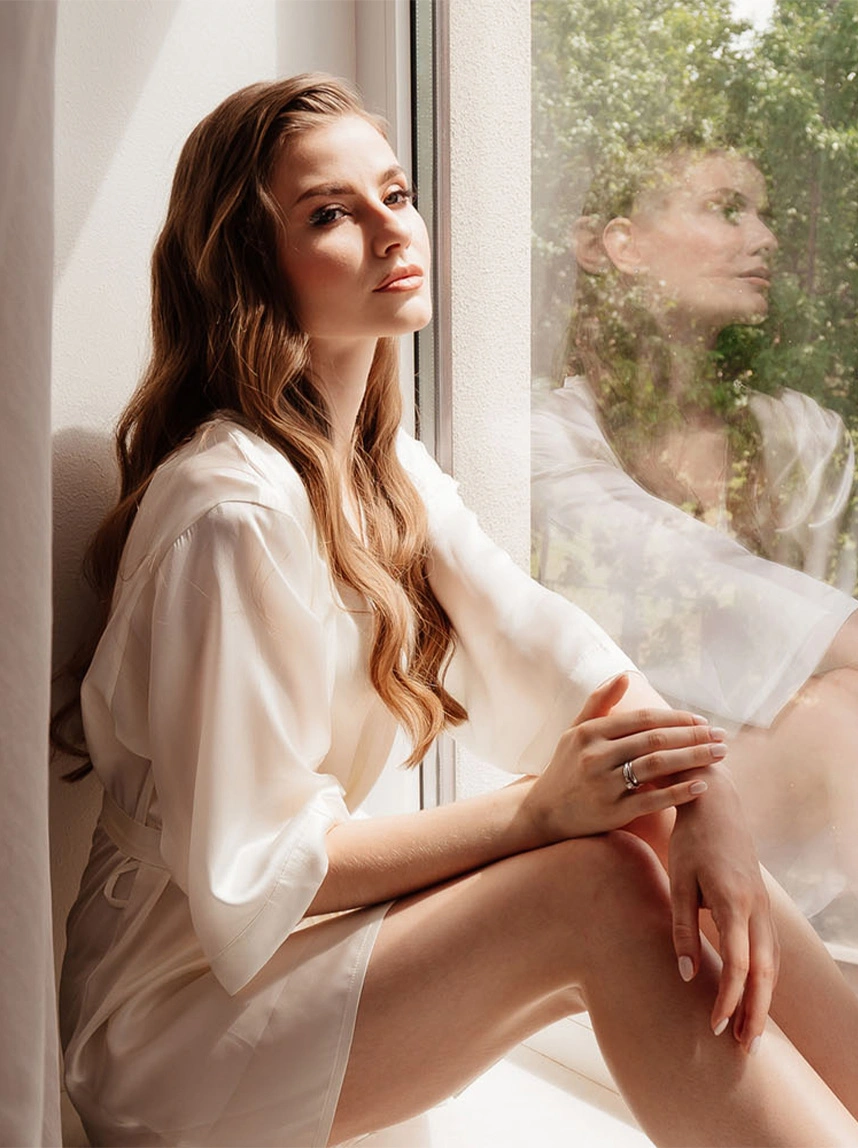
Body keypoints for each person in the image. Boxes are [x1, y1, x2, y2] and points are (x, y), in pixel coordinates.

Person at [58, 77, 858, 1148]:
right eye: (333, 213)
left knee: (661, 822)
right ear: (251, 264)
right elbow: (261, 875)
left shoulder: (382, 475)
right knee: (594, 881)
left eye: (396, 192)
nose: (394, 227)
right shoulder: (229, 510)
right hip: (171, 1032)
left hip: (286, 970)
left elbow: (543, 642)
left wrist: (701, 790)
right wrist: (535, 815)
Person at [532, 142, 858, 932]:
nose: (766, 238)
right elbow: (719, 590)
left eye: (768, 215)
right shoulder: (547, 442)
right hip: (630, 825)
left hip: (771, 821)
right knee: (837, 714)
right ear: (618, 246)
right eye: (726, 209)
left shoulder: (797, 435)